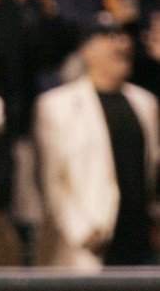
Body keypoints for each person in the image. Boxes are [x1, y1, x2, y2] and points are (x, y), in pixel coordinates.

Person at [34, 15, 160, 269]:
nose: (122, 44)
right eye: (110, 37)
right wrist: (81, 230)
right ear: (87, 51)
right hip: (90, 243)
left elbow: (151, 172)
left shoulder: (145, 103)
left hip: (138, 242)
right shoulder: (57, 105)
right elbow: (52, 180)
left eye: (124, 37)